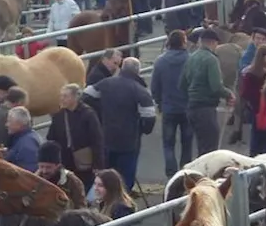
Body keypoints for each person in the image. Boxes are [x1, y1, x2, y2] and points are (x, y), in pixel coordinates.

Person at [86, 56, 156, 191]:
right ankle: (123, 204)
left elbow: (86, 96)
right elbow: (149, 119)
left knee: (106, 176)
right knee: (125, 179)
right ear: (138, 71)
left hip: (107, 138)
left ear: (122, 68)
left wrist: (100, 113)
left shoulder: (105, 83)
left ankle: (105, 203)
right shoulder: (140, 91)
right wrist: (141, 129)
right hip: (129, 142)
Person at [179, 29, 235, 157]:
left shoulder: (191, 58)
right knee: (210, 150)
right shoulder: (211, 60)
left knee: (201, 145)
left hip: (192, 108)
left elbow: (182, 84)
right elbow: (216, 86)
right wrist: (228, 94)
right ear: (213, 42)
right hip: (205, 108)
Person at [150, 30, 193, 177]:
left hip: (168, 108)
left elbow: (154, 86)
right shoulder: (190, 59)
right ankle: (185, 172)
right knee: (187, 143)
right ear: (183, 42)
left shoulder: (161, 61)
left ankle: (171, 173)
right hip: (187, 107)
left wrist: (159, 102)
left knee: (168, 144)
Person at [48, 82, 105, 191]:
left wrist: (98, 165)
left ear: (75, 97)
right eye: (61, 96)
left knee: (85, 188)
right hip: (65, 161)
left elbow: (97, 140)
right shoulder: (58, 116)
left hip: (84, 162)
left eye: (65, 96)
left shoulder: (88, 114)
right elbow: (51, 138)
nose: (62, 99)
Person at [239, 44, 266, 155]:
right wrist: (261, 95)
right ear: (262, 57)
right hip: (258, 111)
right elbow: (246, 93)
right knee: (258, 141)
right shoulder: (251, 74)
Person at [36, 140, 87, 208]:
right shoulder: (34, 180)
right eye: (41, 166)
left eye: (48, 167)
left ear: (58, 166)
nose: (44, 171)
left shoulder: (72, 181)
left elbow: (81, 207)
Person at [2, 106, 43, 172]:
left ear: (19, 124)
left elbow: (28, 174)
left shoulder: (27, 144)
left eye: (9, 121)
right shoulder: (21, 139)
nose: (6, 125)